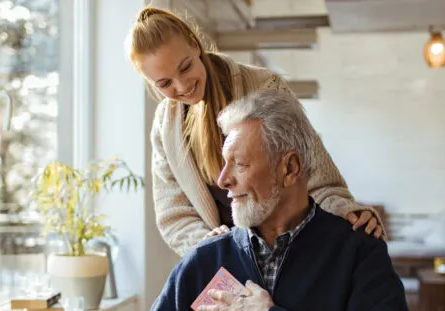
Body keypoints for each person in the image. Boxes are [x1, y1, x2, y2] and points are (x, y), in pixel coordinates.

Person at [97, 91, 418, 311]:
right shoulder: (206, 259)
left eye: (239, 163)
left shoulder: (356, 252)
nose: (223, 180)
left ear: (290, 168)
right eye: (223, 163)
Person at [128, 6, 384, 257]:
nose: (182, 86)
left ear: (195, 45)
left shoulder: (265, 87)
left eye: (185, 68)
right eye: (164, 83)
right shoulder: (165, 126)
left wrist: (347, 212)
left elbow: (314, 172)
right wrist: (207, 245)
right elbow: (174, 215)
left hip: (290, 250)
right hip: (225, 261)